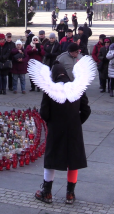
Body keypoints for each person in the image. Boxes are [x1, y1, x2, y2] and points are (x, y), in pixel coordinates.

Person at [34, 61, 92, 205]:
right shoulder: (78, 88)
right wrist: (77, 123)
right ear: (66, 74)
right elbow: (86, 110)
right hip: (74, 129)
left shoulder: (50, 89)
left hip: (55, 128)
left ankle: (46, 193)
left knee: (51, 160)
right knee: (73, 161)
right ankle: (70, 194)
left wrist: (51, 123)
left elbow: (44, 112)